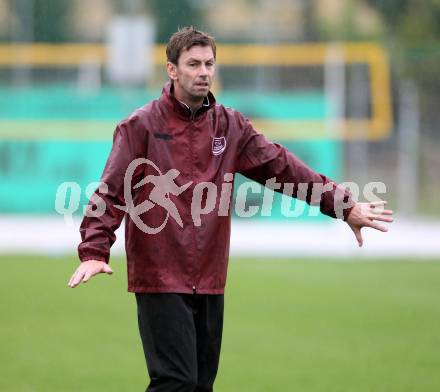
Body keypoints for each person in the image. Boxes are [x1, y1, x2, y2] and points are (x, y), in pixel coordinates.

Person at [68, 27, 393, 392]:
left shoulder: (230, 126)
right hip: (159, 274)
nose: (203, 71)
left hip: (209, 276)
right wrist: (94, 249)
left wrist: (343, 205)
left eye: (209, 63)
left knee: (200, 385)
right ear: (172, 70)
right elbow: (111, 191)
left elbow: (282, 167)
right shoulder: (140, 126)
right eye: (193, 64)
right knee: (176, 382)